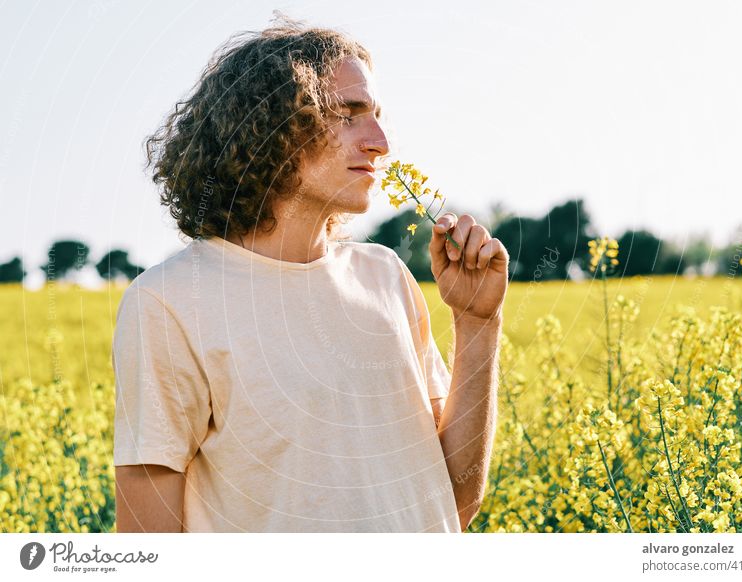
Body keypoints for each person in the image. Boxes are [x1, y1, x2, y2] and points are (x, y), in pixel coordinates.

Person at [113, 15, 509, 533]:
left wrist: (478, 322)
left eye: (378, 115)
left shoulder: (385, 277)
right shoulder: (168, 302)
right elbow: (150, 541)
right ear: (271, 128)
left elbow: (453, 501)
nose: (380, 142)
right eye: (350, 114)